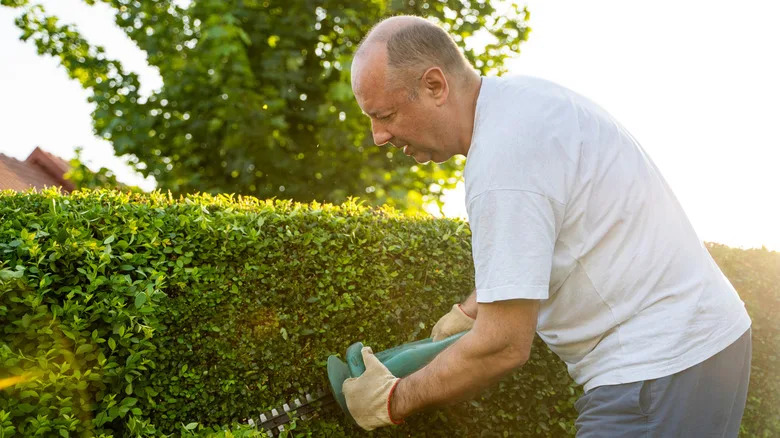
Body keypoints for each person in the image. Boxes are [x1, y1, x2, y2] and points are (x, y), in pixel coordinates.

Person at [342, 15, 752, 437]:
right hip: (700, 343)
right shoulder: (522, 101)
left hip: (658, 368)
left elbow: (503, 345)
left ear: (435, 85)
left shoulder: (503, 162)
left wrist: (393, 399)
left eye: (386, 114)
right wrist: (471, 310)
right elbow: (559, 234)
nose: (378, 136)